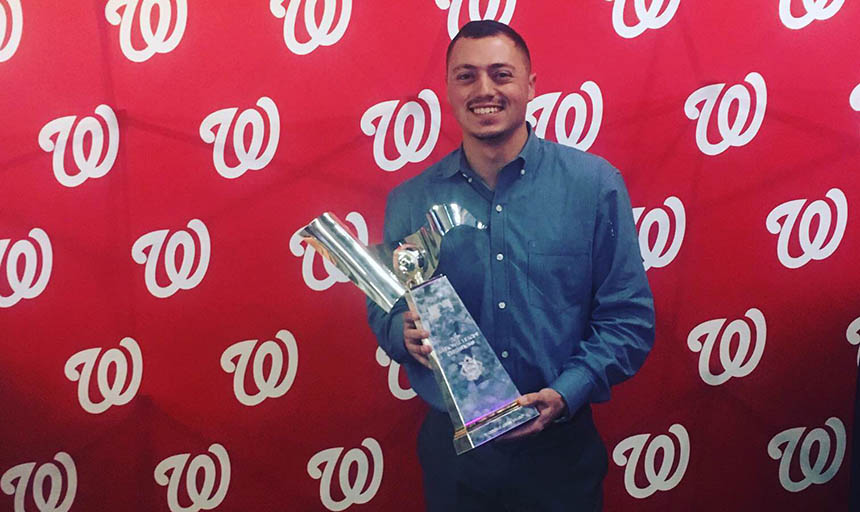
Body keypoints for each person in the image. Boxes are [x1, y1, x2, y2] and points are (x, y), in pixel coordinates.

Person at [367, 20, 655, 511]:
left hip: (561, 454)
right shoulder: (410, 202)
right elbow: (385, 307)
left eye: (501, 74)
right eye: (466, 76)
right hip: (457, 459)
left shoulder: (594, 186)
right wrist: (400, 333)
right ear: (448, 89)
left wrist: (566, 393)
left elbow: (628, 320)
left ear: (530, 85)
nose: (484, 91)